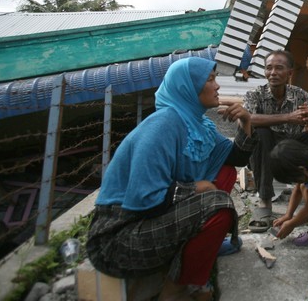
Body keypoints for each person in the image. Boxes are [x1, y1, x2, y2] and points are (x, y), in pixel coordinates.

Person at [86, 57, 257, 301]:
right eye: (210, 79)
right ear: (187, 87)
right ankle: (177, 288)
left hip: (151, 220)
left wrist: (246, 121)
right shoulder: (164, 124)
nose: (218, 86)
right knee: (218, 204)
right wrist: (195, 188)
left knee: (226, 171)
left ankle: (199, 249)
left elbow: (236, 158)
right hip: (119, 239)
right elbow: (145, 199)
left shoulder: (199, 125)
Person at [243, 49, 308, 232]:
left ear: (290, 73)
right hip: (268, 146)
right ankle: (264, 201)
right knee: (261, 132)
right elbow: (249, 118)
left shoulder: (299, 94)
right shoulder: (255, 94)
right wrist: (288, 117)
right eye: (268, 68)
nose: (273, 73)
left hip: (293, 144)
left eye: (279, 68)